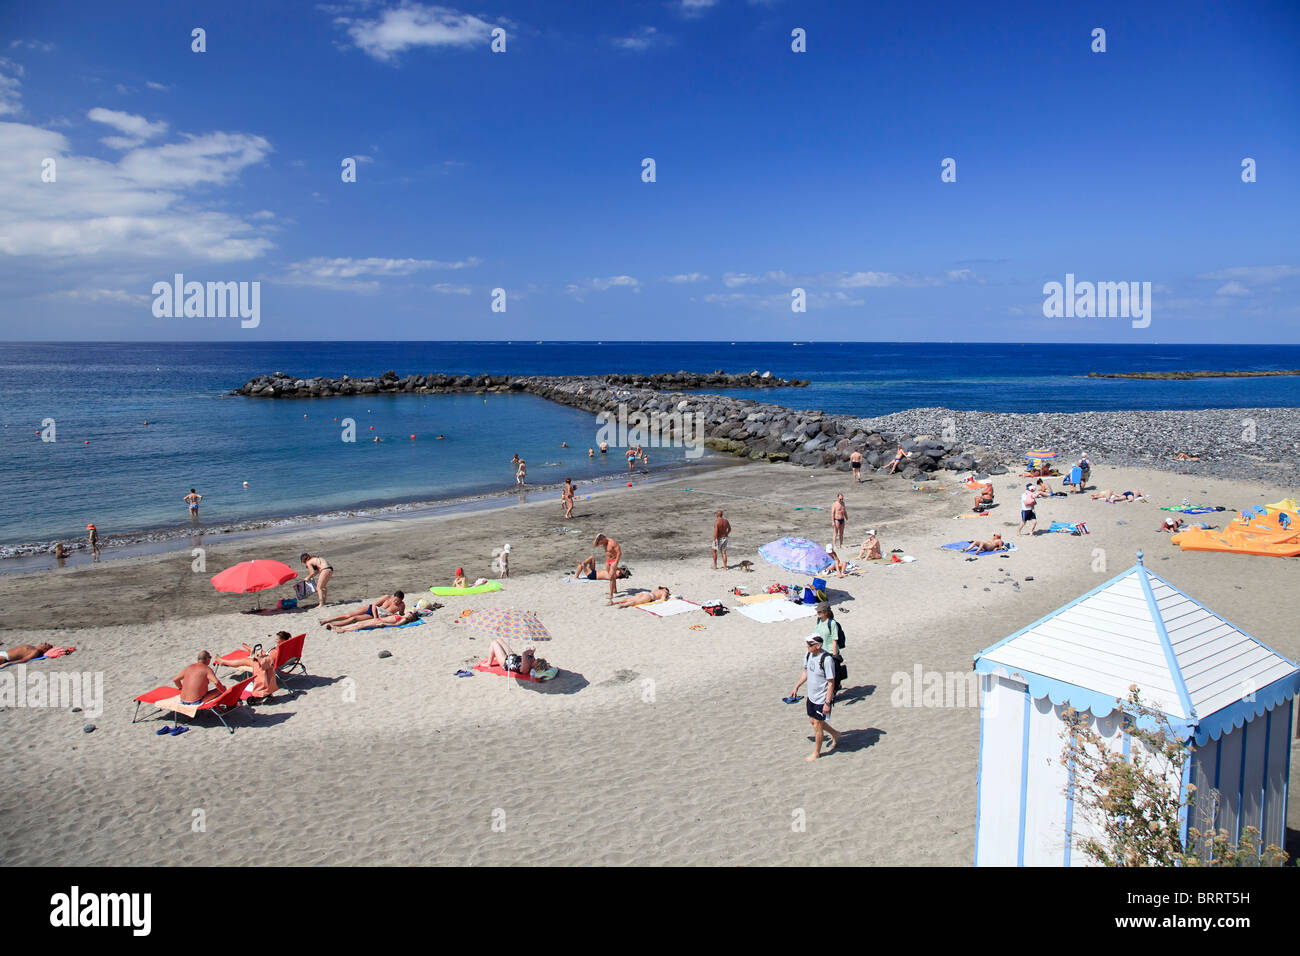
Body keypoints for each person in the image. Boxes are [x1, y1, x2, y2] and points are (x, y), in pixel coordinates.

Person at [791, 633, 840, 761]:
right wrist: (796, 686)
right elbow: (805, 673)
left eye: (809, 644)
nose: (807, 646)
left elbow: (831, 683)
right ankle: (835, 733)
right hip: (811, 696)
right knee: (812, 721)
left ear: (818, 646)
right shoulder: (808, 655)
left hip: (822, 698)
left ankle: (816, 753)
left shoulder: (827, 660)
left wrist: (827, 703)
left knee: (817, 725)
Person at [319, 593, 405, 628]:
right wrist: (375, 617)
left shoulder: (401, 605)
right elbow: (374, 604)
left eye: (399, 601)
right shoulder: (387, 597)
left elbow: (401, 614)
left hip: (378, 615)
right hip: (372, 609)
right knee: (349, 615)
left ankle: (334, 625)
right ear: (394, 596)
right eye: (396, 599)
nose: (396, 602)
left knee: (354, 619)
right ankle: (326, 620)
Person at [213, 631, 292, 670]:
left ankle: (223, 661)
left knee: (244, 660)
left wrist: (258, 658)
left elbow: (269, 660)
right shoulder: (287, 646)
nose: (275, 640)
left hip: (265, 664)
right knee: (260, 652)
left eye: (277, 639)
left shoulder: (278, 650)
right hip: (270, 658)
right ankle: (250, 649)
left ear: (283, 640)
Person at [485, 639, 550, 677]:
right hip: (513, 655)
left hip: (505, 661)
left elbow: (524, 654)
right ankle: (494, 655)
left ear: (536, 665)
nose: (538, 658)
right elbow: (530, 656)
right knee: (499, 640)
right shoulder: (533, 661)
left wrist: (531, 651)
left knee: (494, 643)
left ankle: (488, 663)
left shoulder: (526, 668)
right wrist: (532, 652)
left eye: (538, 660)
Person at [594, 534, 622, 603]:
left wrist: (616, 562)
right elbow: (595, 545)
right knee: (612, 576)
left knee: (611, 577)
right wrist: (597, 537)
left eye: (601, 542)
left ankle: (611, 594)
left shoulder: (612, 542)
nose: (601, 544)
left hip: (614, 561)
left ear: (604, 539)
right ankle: (615, 590)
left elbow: (619, 553)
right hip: (608, 561)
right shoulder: (604, 542)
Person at [333, 609, 420, 632]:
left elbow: (396, 625)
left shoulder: (404, 619)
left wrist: (384, 624)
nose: (409, 613)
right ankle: (341, 627)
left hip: (380, 622)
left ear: (410, 617)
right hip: (378, 619)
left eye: (410, 614)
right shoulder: (402, 615)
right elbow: (408, 611)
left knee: (360, 626)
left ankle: (343, 630)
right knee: (359, 623)